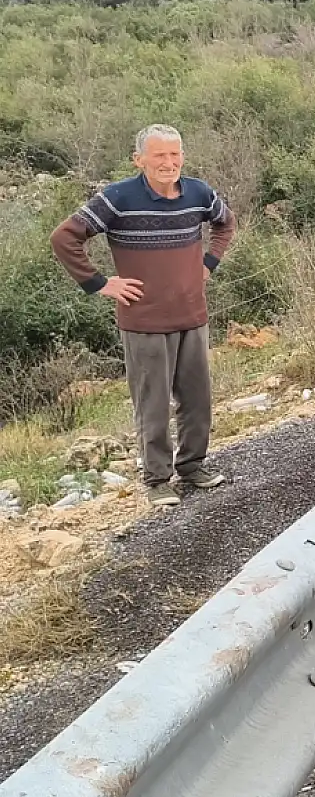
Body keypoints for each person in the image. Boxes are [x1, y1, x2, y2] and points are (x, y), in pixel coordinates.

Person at [51, 124, 235, 509]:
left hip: (192, 314)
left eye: (175, 154)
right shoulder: (118, 197)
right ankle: (156, 480)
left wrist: (210, 262)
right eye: (160, 156)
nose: (169, 163)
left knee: (197, 398)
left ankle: (193, 466)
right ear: (140, 160)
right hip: (144, 321)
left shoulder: (199, 192)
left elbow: (225, 222)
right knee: (152, 404)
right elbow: (64, 238)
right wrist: (100, 283)